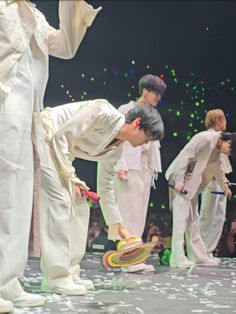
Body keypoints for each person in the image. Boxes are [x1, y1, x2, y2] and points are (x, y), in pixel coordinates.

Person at [0, 0, 101, 312]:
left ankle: (7, 280)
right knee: (4, 190)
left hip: (29, 112)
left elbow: (66, 46)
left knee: (18, 195)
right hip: (5, 101)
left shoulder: (36, 15)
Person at [37, 99, 164, 295]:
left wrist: (118, 225)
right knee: (60, 201)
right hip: (45, 136)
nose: (144, 144)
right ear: (137, 123)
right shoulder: (102, 111)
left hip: (60, 152)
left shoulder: (117, 148)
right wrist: (71, 176)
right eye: (146, 138)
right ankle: (55, 278)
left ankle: (70, 271)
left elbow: (105, 187)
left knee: (81, 205)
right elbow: (61, 135)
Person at [116, 74, 166, 273]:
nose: (158, 98)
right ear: (145, 91)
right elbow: (116, 140)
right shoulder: (126, 110)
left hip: (145, 169)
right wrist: (120, 166)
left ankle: (133, 257)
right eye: (156, 93)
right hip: (129, 167)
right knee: (128, 213)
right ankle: (127, 260)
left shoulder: (151, 114)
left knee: (139, 215)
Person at [165, 131, 236, 268]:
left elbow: (218, 169)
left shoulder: (216, 149)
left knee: (193, 219)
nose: (228, 153)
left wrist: (225, 187)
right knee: (181, 219)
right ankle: (177, 257)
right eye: (230, 149)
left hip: (192, 185)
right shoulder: (205, 139)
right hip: (181, 181)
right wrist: (179, 181)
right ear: (227, 141)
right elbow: (184, 156)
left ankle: (198, 256)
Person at [199, 110, 232, 262]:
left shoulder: (222, 139)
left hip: (219, 182)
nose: (226, 122)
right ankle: (201, 251)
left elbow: (221, 168)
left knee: (218, 218)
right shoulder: (210, 138)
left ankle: (209, 251)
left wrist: (225, 184)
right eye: (224, 119)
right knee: (207, 217)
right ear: (218, 120)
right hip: (210, 183)